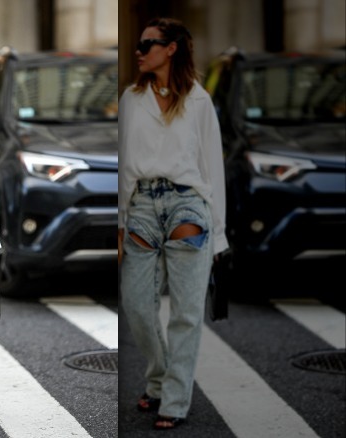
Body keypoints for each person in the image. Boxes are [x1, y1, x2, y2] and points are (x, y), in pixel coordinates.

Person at [118, 17, 228, 430]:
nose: (140, 51)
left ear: (172, 48)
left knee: (185, 312)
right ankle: (160, 376)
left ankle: (174, 399)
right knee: (136, 304)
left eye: (149, 44)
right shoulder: (132, 98)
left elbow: (211, 168)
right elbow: (126, 165)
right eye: (139, 44)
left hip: (188, 206)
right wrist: (121, 219)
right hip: (142, 204)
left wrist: (218, 236)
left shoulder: (199, 101)